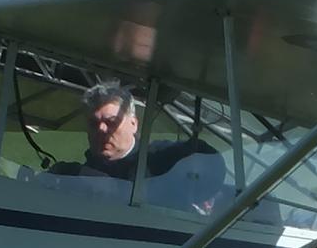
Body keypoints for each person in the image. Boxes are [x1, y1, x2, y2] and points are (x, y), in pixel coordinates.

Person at [49, 81, 220, 208]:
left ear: (134, 124)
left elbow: (209, 161)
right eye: (94, 123)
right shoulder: (75, 175)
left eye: (111, 122)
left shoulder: (161, 157)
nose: (101, 129)